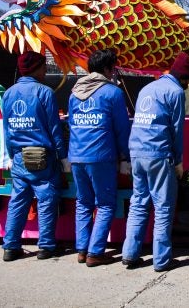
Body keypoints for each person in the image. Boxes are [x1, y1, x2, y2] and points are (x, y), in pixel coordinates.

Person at [121, 52, 189, 272]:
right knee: (163, 207)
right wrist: (179, 161)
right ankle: (161, 260)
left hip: (136, 152)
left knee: (138, 203)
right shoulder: (175, 92)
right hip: (158, 154)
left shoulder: (148, 88)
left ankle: (129, 254)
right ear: (185, 79)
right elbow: (177, 129)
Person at [1, 51, 69, 261]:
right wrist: (63, 156)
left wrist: (11, 155)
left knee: (18, 201)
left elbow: (7, 129)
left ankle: (10, 247)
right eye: (43, 67)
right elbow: (54, 128)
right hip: (43, 157)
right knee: (46, 200)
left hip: (20, 157)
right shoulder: (45, 92)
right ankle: (46, 246)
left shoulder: (9, 93)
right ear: (37, 68)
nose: (46, 71)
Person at [67, 49, 131, 267]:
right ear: (107, 69)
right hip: (101, 156)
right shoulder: (112, 93)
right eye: (113, 68)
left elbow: (71, 123)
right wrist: (126, 155)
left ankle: (82, 250)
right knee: (104, 204)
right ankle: (95, 252)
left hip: (76, 156)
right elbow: (122, 128)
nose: (114, 72)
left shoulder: (74, 93)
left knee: (83, 203)